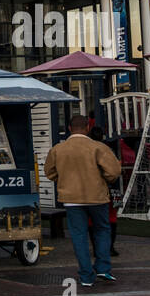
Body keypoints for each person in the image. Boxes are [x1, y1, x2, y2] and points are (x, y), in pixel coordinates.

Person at [45, 114, 122, 286]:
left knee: (79, 236)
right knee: (102, 231)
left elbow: (49, 172)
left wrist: (64, 179)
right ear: (87, 127)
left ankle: (86, 275)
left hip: (72, 198)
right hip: (97, 197)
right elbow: (114, 171)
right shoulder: (98, 147)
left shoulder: (58, 149)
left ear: (70, 129)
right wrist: (104, 179)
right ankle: (103, 268)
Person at [88, 126, 120, 257]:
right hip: (113, 187)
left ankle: (97, 248)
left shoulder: (88, 151)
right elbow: (116, 168)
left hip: (93, 189)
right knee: (112, 218)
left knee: (92, 220)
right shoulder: (109, 150)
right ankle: (110, 247)